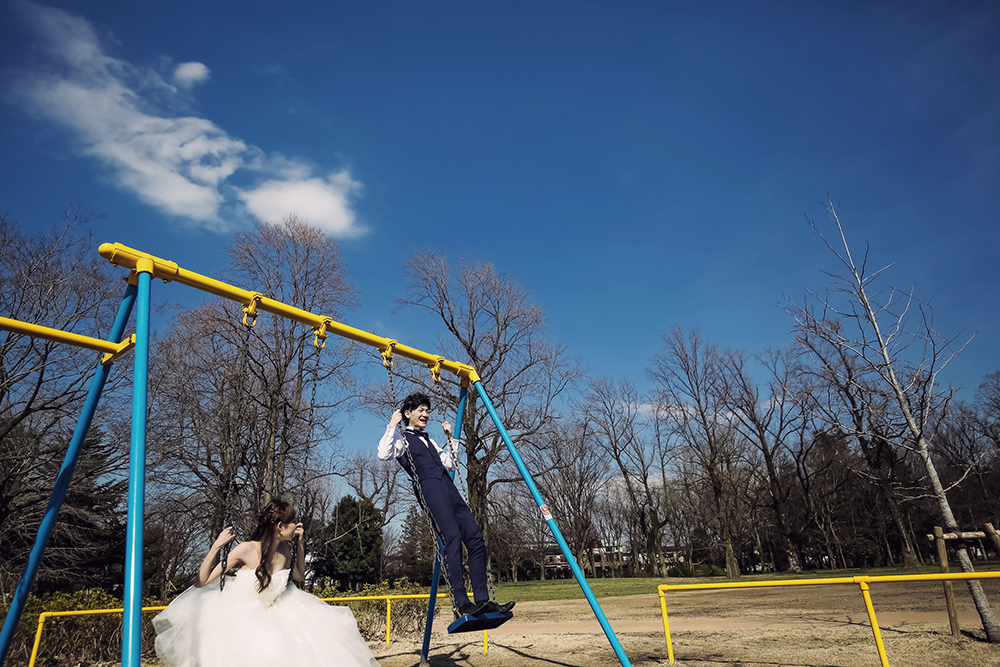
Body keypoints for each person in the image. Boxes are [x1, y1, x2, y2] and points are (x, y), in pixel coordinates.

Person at [153, 499, 379, 667]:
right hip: (240, 613)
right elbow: (202, 581)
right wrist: (217, 546)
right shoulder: (246, 549)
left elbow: (299, 576)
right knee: (268, 649)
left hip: (277, 609)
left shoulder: (285, 550)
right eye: (292, 522)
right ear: (280, 526)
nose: (297, 525)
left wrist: (301, 544)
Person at [378, 392, 514, 617]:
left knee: (475, 539)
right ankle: (461, 603)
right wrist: (392, 424)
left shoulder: (429, 440)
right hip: (429, 488)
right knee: (452, 537)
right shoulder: (401, 440)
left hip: (448, 487)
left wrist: (451, 438)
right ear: (407, 413)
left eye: (427, 410)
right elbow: (383, 454)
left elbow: (450, 464)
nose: (425, 414)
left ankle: (483, 600)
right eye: (420, 410)